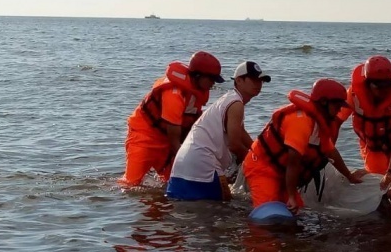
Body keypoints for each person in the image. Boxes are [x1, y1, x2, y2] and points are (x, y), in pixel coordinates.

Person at [242, 79, 367, 213]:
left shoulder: (319, 123)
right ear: (324, 102)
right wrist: (291, 196)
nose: (339, 110)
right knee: (269, 213)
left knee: (296, 211)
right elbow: (293, 161)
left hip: (282, 172)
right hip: (262, 168)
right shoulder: (301, 122)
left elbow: (331, 152)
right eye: (337, 106)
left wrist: (349, 176)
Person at [166, 61, 270, 201]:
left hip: (182, 167)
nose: (258, 84)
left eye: (261, 80)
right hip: (203, 166)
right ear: (238, 80)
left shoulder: (229, 100)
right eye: (253, 79)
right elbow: (234, 145)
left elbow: (242, 134)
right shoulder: (236, 104)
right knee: (224, 212)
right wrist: (257, 164)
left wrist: (258, 155)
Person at [119, 51, 224, 187]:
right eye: (211, 79)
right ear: (198, 76)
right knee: (130, 184)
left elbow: (192, 126)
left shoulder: (196, 92)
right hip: (143, 136)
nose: (213, 84)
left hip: (165, 140)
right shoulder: (174, 94)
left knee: (174, 183)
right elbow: (175, 140)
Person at [338, 55, 391, 189]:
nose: (384, 91)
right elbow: (335, 123)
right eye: (378, 87)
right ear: (368, 84)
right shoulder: (353, 94)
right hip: (371, 143)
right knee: (378, 181)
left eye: (387, 86)